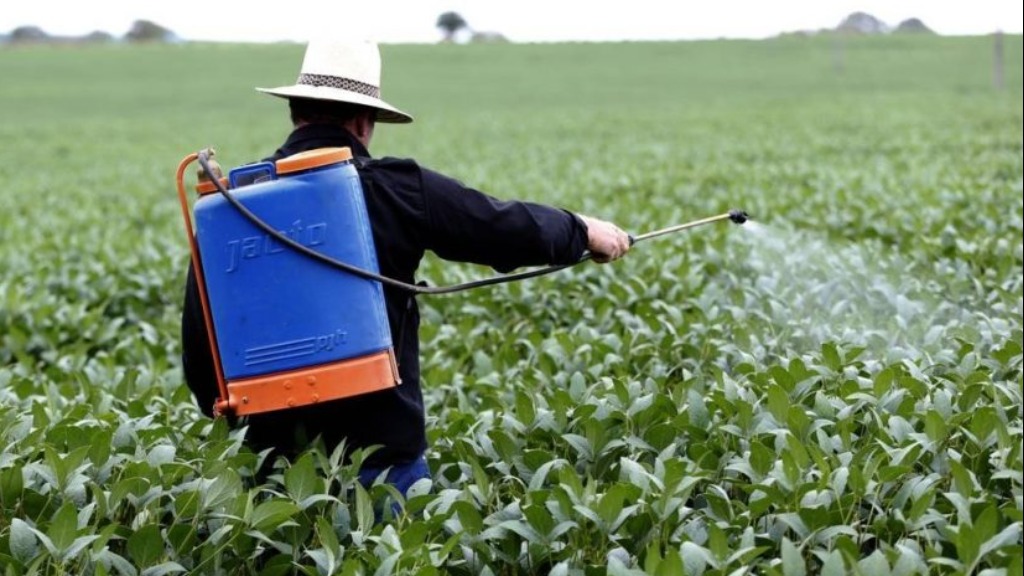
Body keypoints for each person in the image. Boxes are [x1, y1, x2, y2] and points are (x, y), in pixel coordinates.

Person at [181, 40, 630, 496]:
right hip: (383, 466)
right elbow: (502, 226)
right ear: (363, 121)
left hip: (274, 474)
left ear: (295, 112)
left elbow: (202, 362)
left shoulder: (229, 209)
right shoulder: (398, 188)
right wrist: (582, 231)